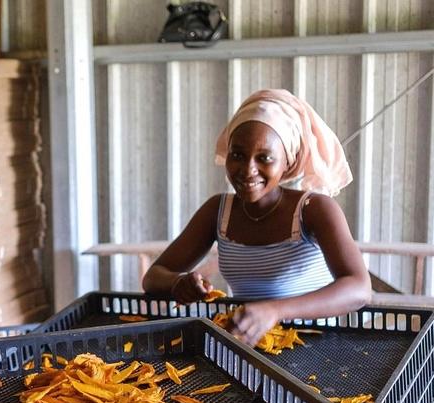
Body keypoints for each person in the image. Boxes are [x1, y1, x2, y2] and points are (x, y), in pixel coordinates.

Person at [143, 89, 371, 346]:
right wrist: (178, 284)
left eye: (265, 158)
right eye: (237, 155)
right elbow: (153, 277)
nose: (248, 170)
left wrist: (275, 311)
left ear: (288, 161)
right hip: (249, 351)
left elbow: (359, 288)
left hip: (317, 350)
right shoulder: (218, 211)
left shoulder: (313, 210)